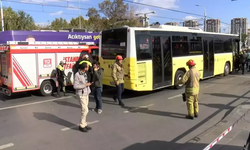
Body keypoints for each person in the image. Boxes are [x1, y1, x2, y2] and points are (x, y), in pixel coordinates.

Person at [73, 62, 93, 132]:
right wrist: (85, 85)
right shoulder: (77, 75)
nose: (88, 68)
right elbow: (75, 86)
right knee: (85, 110)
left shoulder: (85, 73)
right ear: (84, 68)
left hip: (86, 93)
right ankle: (81, 125)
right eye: (87, 67)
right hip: (81, 94)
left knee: (84, 110)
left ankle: (84, 123)